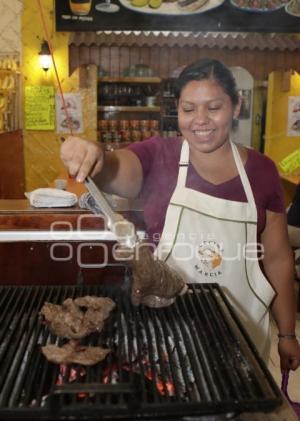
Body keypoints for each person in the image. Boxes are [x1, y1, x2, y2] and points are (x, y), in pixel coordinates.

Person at [61, 58, 300, 371]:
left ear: (236, 106)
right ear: (178, 110)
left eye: (214, 107)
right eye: (189, 109)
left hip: (242, 336)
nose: (200, 120)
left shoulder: (261, 170)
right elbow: (116, 168)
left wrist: (286, 333)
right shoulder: (159, 155)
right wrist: (94, 155)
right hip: (167, 331)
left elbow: (278, 257)